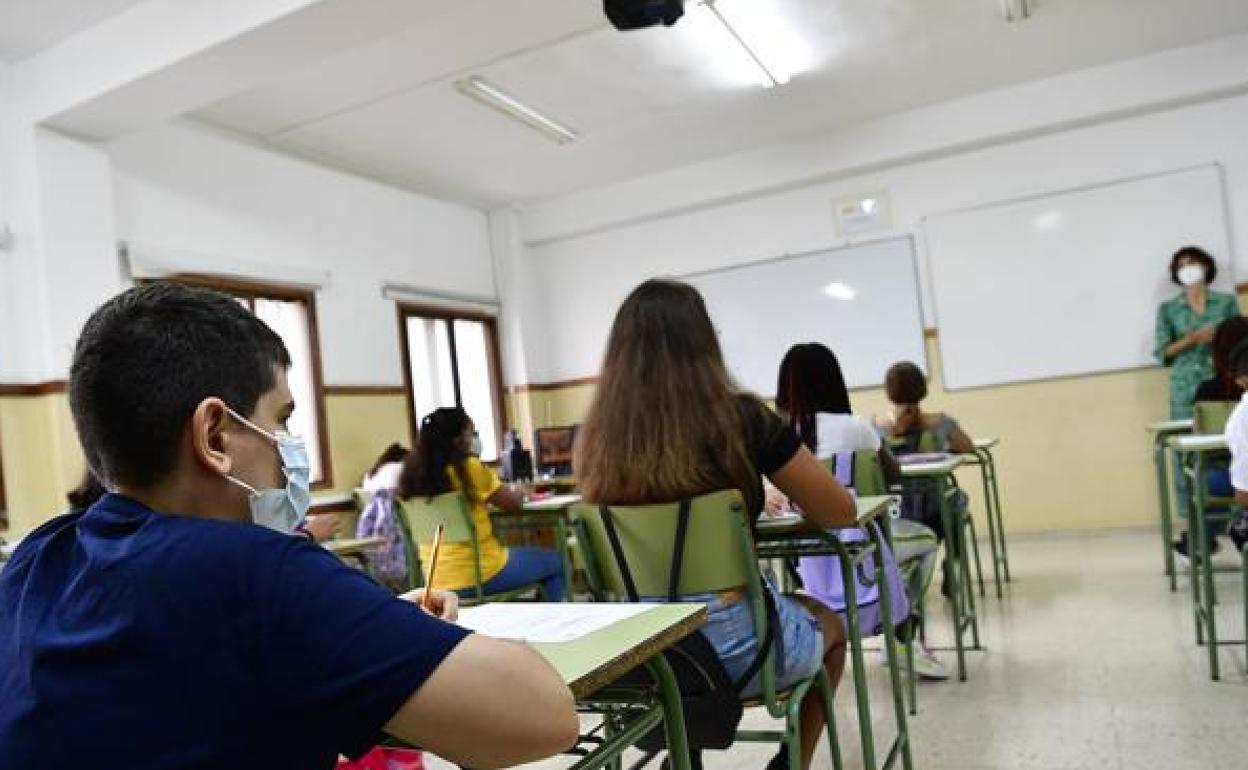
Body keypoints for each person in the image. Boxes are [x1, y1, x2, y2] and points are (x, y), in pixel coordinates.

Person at [0, 282, 578, 769]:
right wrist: (329, 609)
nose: (290, 449)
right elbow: (545, 717)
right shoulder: (258, 570)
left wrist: (360, 621)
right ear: (215, 437)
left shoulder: (38, 556)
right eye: (281, 420)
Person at [575, 279, 855, 770]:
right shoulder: (742, 418)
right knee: (831, 624)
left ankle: (686, 753)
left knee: (680, 618)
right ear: (705, 342)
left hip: (644, 656)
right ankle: (792, 764)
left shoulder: (598, 438)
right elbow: (840, 512)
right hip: (739, 654)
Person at [775, 343, 947, 680]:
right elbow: (893, 476)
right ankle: (901, 633)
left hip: (800, 554)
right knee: (926, 542)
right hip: (861, 545)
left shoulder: (780, 436)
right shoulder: (856, 428)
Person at [399, 407, 566, 600]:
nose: (474, 440)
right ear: (457, 438)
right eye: (471, 433)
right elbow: (511, 503)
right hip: (481, 572)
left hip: (434, 579)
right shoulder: (468, 468)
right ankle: (551, 624)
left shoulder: (411, 476)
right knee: (556, 561)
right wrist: (518, 492)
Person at [1154, 246, 1240, 420]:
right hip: (1185, 386)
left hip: (1222, 379)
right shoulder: (1168, 309)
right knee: (1187, 434)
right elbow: (1163, 352)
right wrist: (1190, 340)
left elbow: (1240, 342)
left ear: (1205, 266)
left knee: (1226, 431)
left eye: (1191, 263)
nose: (1187, 268)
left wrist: (1218, 339)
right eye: (1181, 266)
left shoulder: (1226, 302)